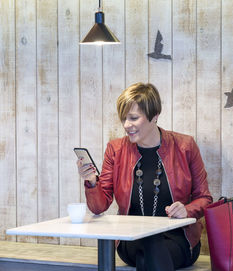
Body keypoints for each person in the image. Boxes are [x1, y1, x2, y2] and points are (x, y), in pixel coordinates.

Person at [76, 82, 213, 271]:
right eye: (123, 118)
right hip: (131, 237)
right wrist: (92, 183)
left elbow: (204, 198)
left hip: (178, 238)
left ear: (154, 115)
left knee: (151, 252)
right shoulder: (115, 149)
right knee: (149, 247)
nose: (126, 125)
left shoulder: (185, 146)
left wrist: (187, 210)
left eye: (133, 118)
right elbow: (99, 207)